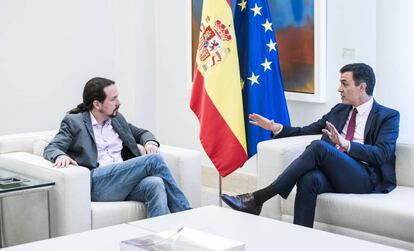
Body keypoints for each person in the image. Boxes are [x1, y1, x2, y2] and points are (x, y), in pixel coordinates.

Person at [222, 63, 400, 228]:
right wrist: (275, 127)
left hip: (365, 177)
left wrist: (345, 143)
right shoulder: (339, 110)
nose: (340, 89)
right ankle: (301, 239)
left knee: (319, 147)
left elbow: (381, 154)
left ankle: (258, 198)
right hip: (337, 173)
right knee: (309, 179)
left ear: (362, 87)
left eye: (345, 84)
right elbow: (306, 130)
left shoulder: (388, 116)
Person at [44, 77, 191, 218]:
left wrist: (149, 142)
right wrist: (60, 155)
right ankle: (186, 214)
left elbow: (142, 133)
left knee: (155, 183)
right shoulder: (74, 122)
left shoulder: (116, 119)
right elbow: (52, 147)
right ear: (97, 104)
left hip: (122, 181)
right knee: (154, 160)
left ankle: (158, 238)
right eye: (113, 99)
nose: (118, 102)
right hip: (98, 183)